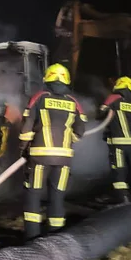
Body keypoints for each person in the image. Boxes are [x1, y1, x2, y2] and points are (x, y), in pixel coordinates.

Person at [18, 63, 87, 240]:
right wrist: (70, 139)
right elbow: (81, 128)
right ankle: (56, 238)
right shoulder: (73, 102)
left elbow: (26, 128)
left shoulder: (39, 97)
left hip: (40, 157)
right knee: (57, 197)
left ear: (47, 78)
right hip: (64, 159)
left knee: (33, 194)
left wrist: (23, 150)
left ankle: (32, 238)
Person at [99, 76, 131, 204]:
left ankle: (123, 201)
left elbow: (101, 113)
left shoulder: (114, 98)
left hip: (119, 144)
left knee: (119, 174)